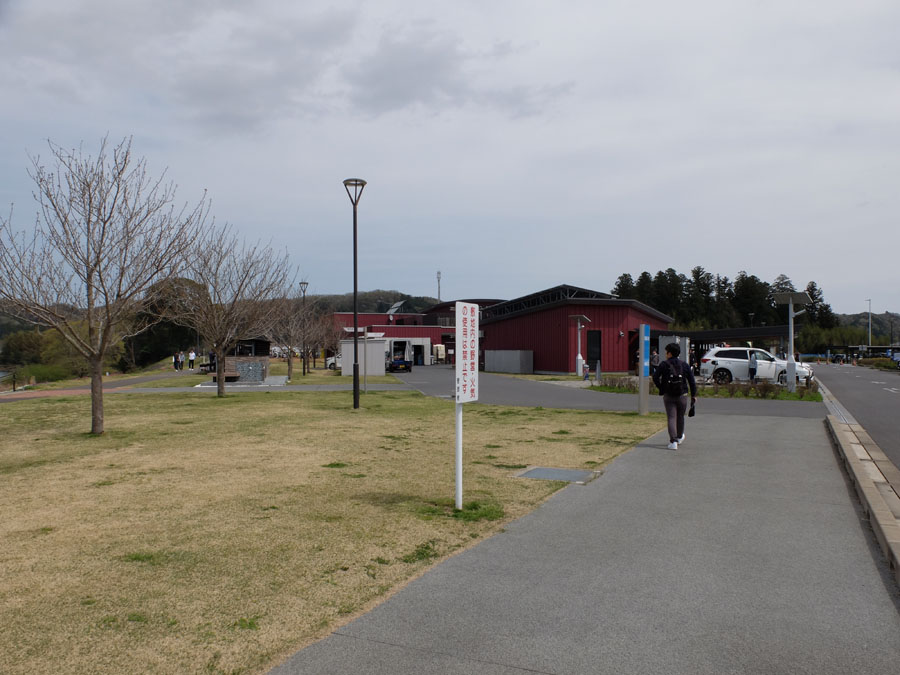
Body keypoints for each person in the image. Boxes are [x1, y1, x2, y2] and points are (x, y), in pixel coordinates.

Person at [652, 342, 697, 451]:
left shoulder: (663, 364)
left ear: (669, 353)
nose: (666, 354)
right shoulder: (684, 365)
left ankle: (673, 442)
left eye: (666, 351)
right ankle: (680, 436)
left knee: (671, 417)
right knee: (680, 417)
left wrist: (662, 388)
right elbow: (692, 381)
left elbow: (655, 377)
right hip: (682, 395)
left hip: (668, 395)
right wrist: (694, 395)